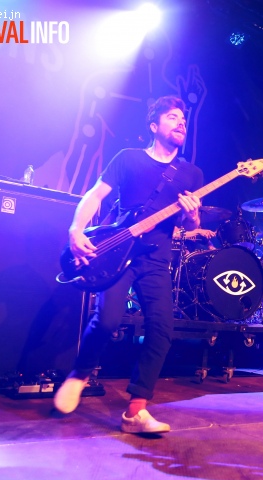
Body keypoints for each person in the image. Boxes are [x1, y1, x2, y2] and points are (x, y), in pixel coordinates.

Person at [53, 95, 204, 434]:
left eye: (183, 118)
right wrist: (76, 229)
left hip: (156, 257)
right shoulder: (128, 159)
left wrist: (193, 215)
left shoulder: (192, 173)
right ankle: (80, 373)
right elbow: (94, 195)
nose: (181, 122)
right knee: (106, 320)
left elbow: (191, 226)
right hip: (119, 251)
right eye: (172, 117)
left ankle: (136, 410)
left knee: (162, 330)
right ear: (154, 126)